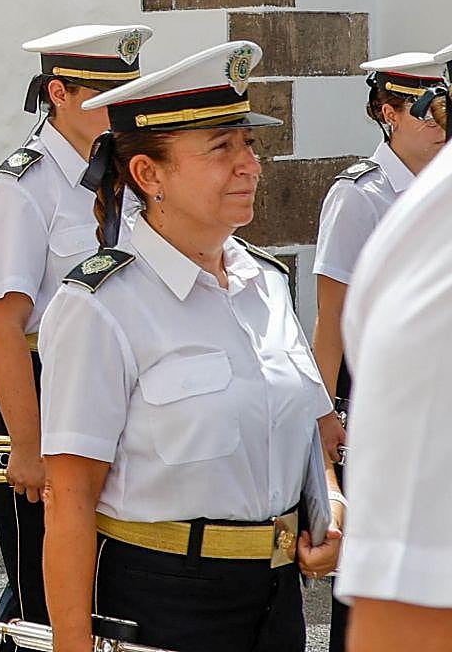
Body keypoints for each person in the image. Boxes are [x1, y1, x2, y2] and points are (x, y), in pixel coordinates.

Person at [39, 40, 344, 652]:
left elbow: (312, 434)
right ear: (149, 174)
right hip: (163, 600)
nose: (250, 166)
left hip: (278, 599)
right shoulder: (100, 305)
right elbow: (69, 501)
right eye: (221, 149)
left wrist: (330, 505)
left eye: (250, 145)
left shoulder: (267, 284)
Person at [0, 24, 151, 638]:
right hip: (44, 384)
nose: (124, 107)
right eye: (109, 94)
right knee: (40, 587)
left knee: (108, 571)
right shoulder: (21, 187)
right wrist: (26, 443)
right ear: (60, 93)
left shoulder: (126, 174)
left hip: (120, 382)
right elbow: (3, 323)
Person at [311, 49, 446, 652]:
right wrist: (328, 420)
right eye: (423, 109)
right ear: (388, 112)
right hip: (372, 396)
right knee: (378, 559)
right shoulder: (359, 195)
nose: (437, 121)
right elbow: (331, 319)